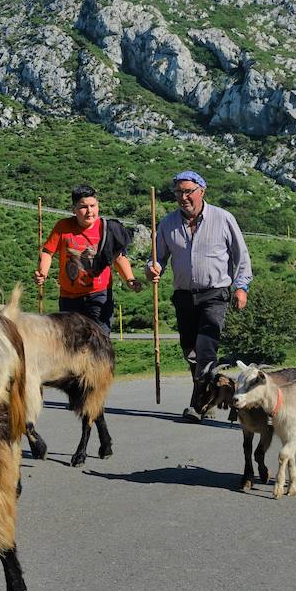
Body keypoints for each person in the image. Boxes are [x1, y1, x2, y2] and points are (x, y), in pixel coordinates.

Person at [145, 170, 253, 421]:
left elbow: (241, 256)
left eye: (188, 191)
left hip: (215, 293)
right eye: (178, 193)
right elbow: (157, 258)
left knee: (206, 347)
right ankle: (214, 388)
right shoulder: (168, 224)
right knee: (189, 349)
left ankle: (197, 403)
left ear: (202, 191)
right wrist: (152, 269)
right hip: (183, 296)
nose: (183, 197)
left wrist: (241, 287)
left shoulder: (223, 218)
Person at [34, 184, 142, 332]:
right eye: (83, 207)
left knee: (99, 341)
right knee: (71, 343)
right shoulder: (63, 227)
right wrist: (43, 272)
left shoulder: (107, 229)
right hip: (69, 297)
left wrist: (130, 279)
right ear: (74, 209)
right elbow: (48, 251)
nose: (89, 211)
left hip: (99, 294)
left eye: (93, 205)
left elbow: (118, 258)